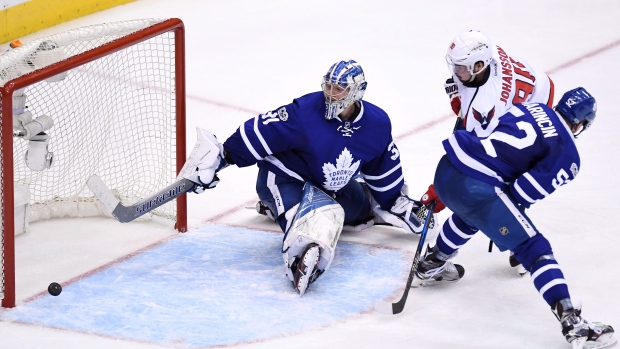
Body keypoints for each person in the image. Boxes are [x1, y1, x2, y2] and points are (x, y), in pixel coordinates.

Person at [177, 59, 434, 296]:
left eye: (340, 88)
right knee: (316, 215)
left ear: (357, 91)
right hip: (285, 178)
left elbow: (383, 165)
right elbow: (262, 131)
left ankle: (357, 204)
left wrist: (393, 201)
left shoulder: (376, 123)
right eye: (329, 86)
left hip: (331, 185)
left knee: (357, 209)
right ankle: (302, 253)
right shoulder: (305, 112)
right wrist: (224, 157)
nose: (331, 93)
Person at [413, 87, 615, 348]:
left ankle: (432, 263)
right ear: (581, 123)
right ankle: (572, 323)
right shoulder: (568, 154)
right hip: (476, 187)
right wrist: (506, 231)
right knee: (535, 249)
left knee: (473, 215)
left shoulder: (533, 107)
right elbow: (523, 191)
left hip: (447, 168)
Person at [421, 29, 557, 271]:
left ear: (480, 65)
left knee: (484, 195)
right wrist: (461, 103)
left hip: (534, 115)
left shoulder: (486, 104)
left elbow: (473, 158)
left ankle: (519, 240)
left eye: (462, 67)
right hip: (538, 90)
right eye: (455, 65)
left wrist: (440, 191)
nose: (456, 72)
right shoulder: (488, 50)